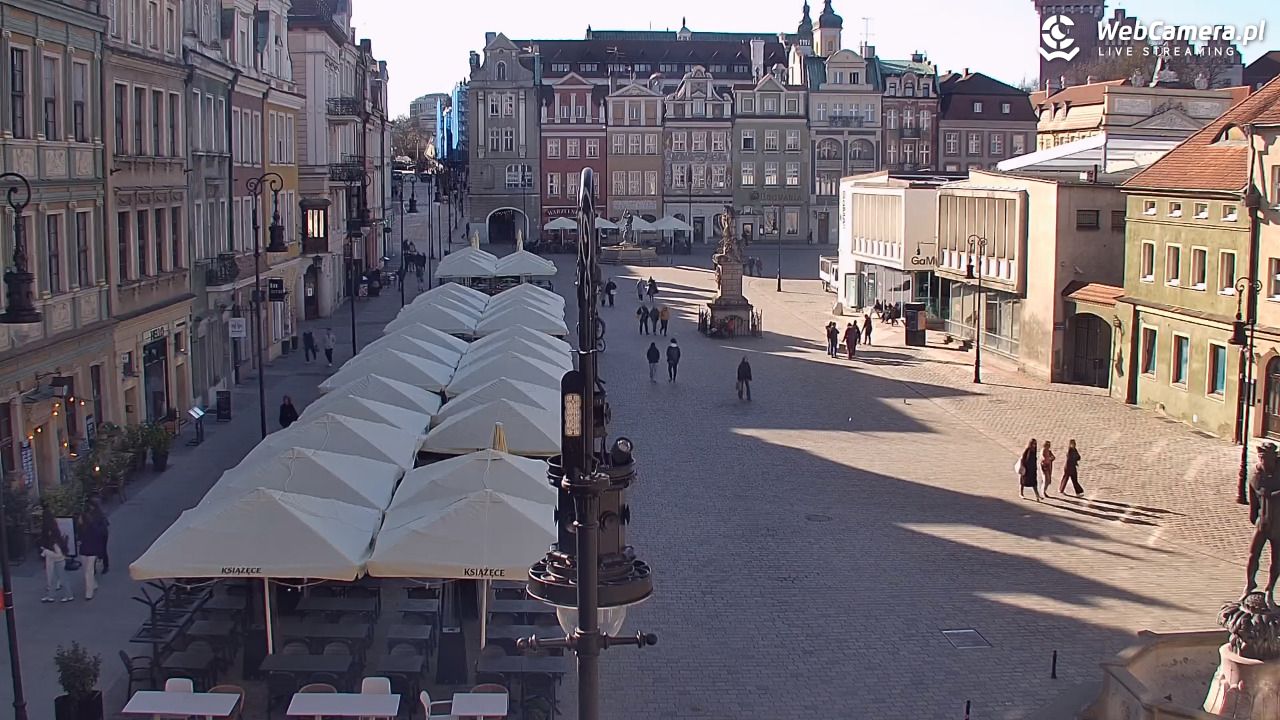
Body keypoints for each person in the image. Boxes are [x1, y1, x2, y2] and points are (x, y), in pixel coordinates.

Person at [40, 510, 73, 602]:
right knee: (55, 579)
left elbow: (58, 554)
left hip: (58, 561)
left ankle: (68, 595)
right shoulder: (55, 533)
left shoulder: (53, 541)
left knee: (61, 578)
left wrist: (46, 552)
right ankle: (51, 595)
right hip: (58, 560)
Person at [77, 505, 107, 600]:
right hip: (87, 551)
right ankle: (93, 584)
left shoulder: (91, 528)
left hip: (90, 551)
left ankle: (89, 592)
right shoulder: (82, 527)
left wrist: (99, 553)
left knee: (88, 571)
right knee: (87, 570)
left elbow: (98, 539)